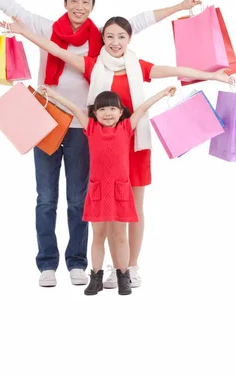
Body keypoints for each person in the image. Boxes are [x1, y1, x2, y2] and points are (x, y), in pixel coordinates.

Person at [0, 0, 202, 288]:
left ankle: (79, 263)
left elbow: (140, 21)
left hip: (86, 127)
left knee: (79, 199)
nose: (79, 7)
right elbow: (8, 4)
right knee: (46, 197)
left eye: (86, 2)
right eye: (74, 1)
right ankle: (47, 264)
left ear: (93, 6)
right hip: (45, 121)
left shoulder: (102, 38)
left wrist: (179, 6)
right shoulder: (44, 29)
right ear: (65, 3)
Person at [3, 15, 233, 288]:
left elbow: (174, 69)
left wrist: (212, 75)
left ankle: (131, 267)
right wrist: (22, 31)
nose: (115, 42)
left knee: (133, 208)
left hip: (134, 144)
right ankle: (115, 267)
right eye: (109, 37)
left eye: (121, 37)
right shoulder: (92, 66)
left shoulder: (139, 66)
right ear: (103, 40)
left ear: (129, 39)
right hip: (102, 148)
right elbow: (56, 50)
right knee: (109, 210)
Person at [37, 85, 177, 296]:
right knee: (98, 236)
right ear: (94, 113)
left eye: (112, 109)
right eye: (102, 109)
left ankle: (124, 277)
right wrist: (51, 94)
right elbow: (74, 108)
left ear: (121, 112)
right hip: (98, 191)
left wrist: (163, 93)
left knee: (121, 236)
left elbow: (143, 107)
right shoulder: (91, 128)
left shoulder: (126, 128)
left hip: (120, 191)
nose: (108, 113)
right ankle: (96, 277)